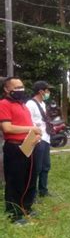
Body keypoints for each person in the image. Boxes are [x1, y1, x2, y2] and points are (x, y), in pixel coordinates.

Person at [0, 77, 42, 224]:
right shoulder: (4, 104)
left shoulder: (22, 105)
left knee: (30, 178)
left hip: (29, 145)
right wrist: (32, 128)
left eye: (22, 87)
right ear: (7, 89)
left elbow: (29, 125)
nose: (20, 90)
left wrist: (35, 135)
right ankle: (14, 214)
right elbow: (7, 128)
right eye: (16, 87)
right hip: (14, 147)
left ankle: (27, 207)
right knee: (15, 180)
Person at [26, 81, 54, 198]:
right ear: (41, 91)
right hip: (37, 139)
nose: (48, 92)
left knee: (45, 165)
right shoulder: (30, 104)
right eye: (47, 90)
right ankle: (33, 193)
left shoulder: (42, 103)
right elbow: (27, 122)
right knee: (36, 167)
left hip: (46, 138)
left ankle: (43, 190)